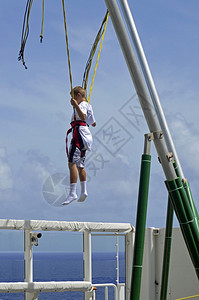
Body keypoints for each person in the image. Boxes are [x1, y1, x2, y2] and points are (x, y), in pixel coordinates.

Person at [62, 86, 96, 206]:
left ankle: (72, 193)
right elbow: (94, 123)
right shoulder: (88, 106)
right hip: (86, 137)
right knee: (80, 165)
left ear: (77, 95)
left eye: (73, 96)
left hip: (79, 135)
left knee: (71, 163)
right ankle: (84, 191)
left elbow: (83, 117)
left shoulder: (81, 105)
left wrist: (76, 105)